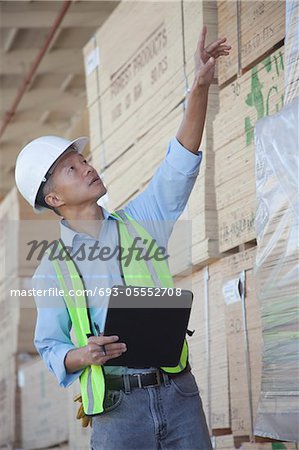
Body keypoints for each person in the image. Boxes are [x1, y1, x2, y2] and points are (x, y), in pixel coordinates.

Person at [15, 26, 231, 450]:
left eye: (84, 160)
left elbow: (180, 160)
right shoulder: (51, 270)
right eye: (72, 169)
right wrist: (85, 354)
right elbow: (51, 345)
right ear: (54, 197)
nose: (88, 168)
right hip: (117, 413)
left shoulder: (141, 221)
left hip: (179, 394)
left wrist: (200, 88)